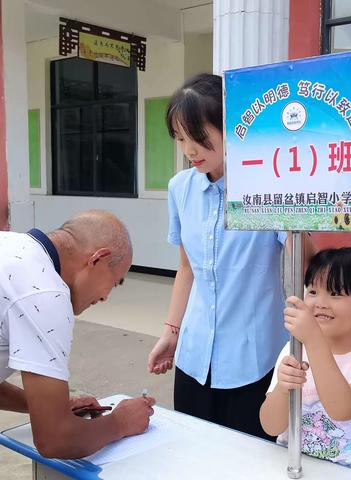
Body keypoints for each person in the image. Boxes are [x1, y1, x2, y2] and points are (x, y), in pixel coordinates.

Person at [147, 73, 314, 440]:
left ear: (232, 130)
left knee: (249, 461)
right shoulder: (180, 189)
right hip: (193, 358)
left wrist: (295, 215)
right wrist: (171, 332)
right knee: (193, 453)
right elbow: (187, 268)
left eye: (200, 138)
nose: (190, 150)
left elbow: (304, 264)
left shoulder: (266, 186)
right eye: (180, 139)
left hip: (253, 360)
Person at [0, 210, 156, 459]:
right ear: (97, 259)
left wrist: (51, 407)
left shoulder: (11, 246)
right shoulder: (45, 293)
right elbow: (56, 440)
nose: (106, 297)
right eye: (115, 282)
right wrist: (120, 423)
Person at [260, 247, 351, 478]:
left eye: (335, 293)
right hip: (296, 471)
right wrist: (283, 390)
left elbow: (342, 408)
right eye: (313, 291)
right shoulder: (293, 350)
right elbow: (270, 426)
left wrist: (313, 338)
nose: (320, 303)